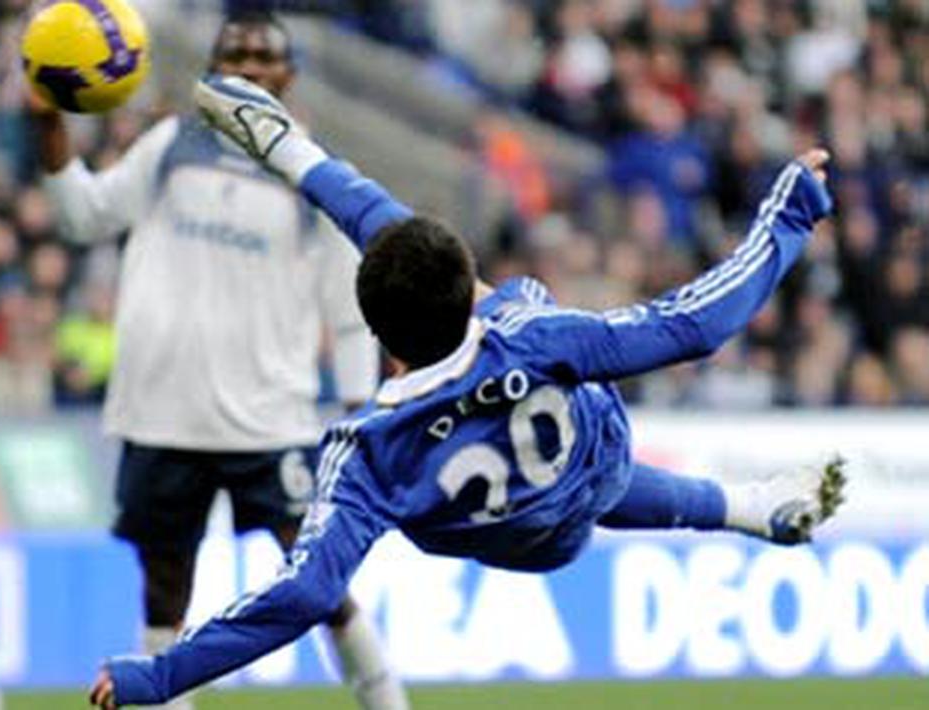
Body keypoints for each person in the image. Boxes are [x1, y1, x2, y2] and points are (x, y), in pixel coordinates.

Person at [84, 75, 848, 708]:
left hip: (504, 537)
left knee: (453, 290)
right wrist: (785, 216)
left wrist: (160, 676)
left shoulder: (363, 455)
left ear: (378, 337)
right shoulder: (529, 331)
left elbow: (305, 594)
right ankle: (738, 507)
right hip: (584, 463)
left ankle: (747, 508)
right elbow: (696, 327)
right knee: (525, 300)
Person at [28, 11, 406, 710]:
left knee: (321, 584)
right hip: (160, 413)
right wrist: (47, 123)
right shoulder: (169, 144)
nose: (251, 68)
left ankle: (385, 700)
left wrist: (361, 416)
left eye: (265, 58)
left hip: (270, 419)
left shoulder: (315, 176)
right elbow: (82, 215)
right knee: (164, 592)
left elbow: (349, 313)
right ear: (213, 68)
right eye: (236, 56)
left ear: (287, 77)